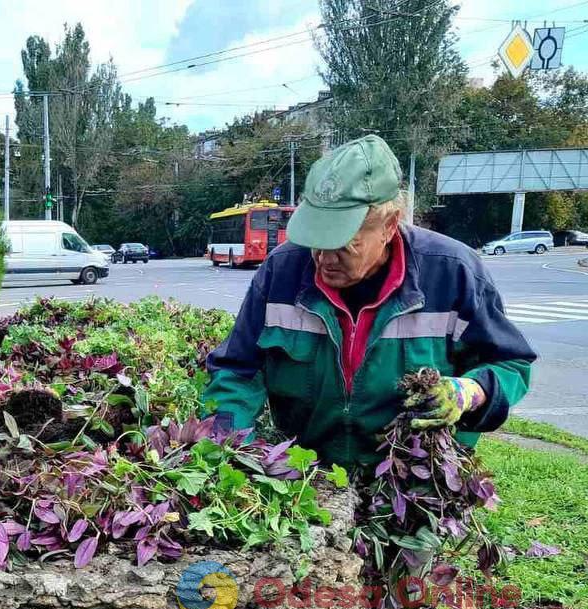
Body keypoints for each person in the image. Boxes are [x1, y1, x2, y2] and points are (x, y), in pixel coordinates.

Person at [202, 135, 536, 467]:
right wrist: (230, 447)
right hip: (309, 476)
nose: (323, 257)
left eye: (342, 243)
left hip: (413, 479)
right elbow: (236, 369)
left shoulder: (454, 272)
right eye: (316, 240)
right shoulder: (281, 270)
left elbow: (510, 365)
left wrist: (469, 392)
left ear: (390, 225)